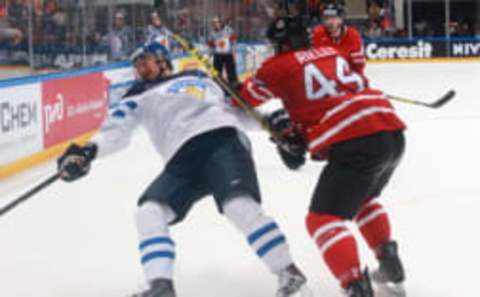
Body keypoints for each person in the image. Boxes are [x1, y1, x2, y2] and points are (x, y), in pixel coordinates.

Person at [56, 42, 307, 297]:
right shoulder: (136, 95)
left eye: (146, 61)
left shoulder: (201, 79)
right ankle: (161, 286)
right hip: (181, 158)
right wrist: (87, 152)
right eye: (137, 65)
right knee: (149, 212)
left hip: (221, 139)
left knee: (238, 205)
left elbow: (236, 111)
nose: (141, 68)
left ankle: (289, 273)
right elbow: (115, 132)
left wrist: (270, 123)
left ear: (163, 61)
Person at [240, 17, 407, 297]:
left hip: (357, 137)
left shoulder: (278, 65)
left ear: (282, 44)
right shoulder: (334, 52)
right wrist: (303, 131)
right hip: (390, 129)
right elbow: (339, 93)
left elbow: (243, 98)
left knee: (322, 219)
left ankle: (355, 286)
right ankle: (389, 263)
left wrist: (232, 87)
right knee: (362, 199)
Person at [310, 2, 366, 75]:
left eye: (333, 18)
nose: (329, 22)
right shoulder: (317, 33)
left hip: (347, 77)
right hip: (324, 78)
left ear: (341, 19)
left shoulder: (353, 35)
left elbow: (358, 67)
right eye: (326, 18)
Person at [207, 16, 239, 88]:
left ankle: (234, 84)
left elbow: (233, 41)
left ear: (221, 23)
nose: (215, 24)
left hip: (228, 54)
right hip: (218, 55)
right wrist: (210, 53)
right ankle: (217, 85)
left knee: (231, 70)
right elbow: (210, 44)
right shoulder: (212, 33)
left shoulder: (228, 30)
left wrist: (233, 51)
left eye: (217, 22)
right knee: (217, 72)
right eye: (214, 23)